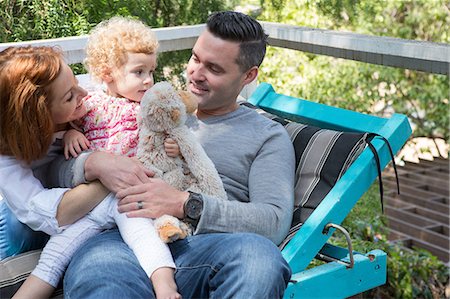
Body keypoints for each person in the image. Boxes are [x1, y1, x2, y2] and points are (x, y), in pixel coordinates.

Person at [62, 11, 296, 298]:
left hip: (205, 247)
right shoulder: (145, 103)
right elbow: (48, 169)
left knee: (259, 258)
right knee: (100, 275)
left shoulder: (267, 135)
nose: (195, 74)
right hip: (119, 238)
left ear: (248, 76)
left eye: (214, 68)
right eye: (196, 58)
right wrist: (93, 163)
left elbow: (273, 222)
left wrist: (185, 204)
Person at [0, 43, 180, 299]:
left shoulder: (88, 104)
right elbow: (50, 215)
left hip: (86, 202)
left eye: (75, 81)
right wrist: (102, 168)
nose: (84, 92)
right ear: (37, 116)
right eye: (69, 96)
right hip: (30, 215)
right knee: (21, 234)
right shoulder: (6, 160)